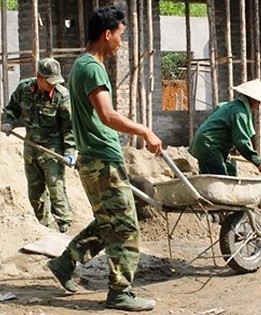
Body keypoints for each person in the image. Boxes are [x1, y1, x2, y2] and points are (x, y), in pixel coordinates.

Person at [47, 6, 162, 312]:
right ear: (107, 34)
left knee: (107, 223)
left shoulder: (81, 66)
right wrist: (145, 130)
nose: (121, 43)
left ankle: (64, 263)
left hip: (93, 159)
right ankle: (120, 292)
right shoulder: (93, 68)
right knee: (126, 229)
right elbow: (108, 115)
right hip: (102, 160)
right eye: (121, 36)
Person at [1, 58, 75, 233]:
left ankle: (65, 228)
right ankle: (45, 229)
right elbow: (12, 108)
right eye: (49, 81)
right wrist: (8, 121)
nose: (52, 85)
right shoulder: (24, 89)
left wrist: (70, 150)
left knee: (57, 191)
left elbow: (69, 128)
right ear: (39, 77)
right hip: (31, 147)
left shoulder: (62, 96)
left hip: (52, 150)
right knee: (35, 193)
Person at [188, 79, 261, 177]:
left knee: (230, 169)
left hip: (206, 145)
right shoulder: (239, 113)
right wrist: (258, 162)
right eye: (258, 101)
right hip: (209, 146)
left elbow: (218, 111)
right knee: (220, 178)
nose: (258, 106)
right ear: (252, 98)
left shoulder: (228, 105)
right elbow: (241, 141)